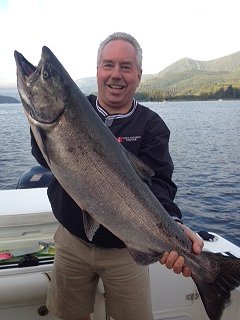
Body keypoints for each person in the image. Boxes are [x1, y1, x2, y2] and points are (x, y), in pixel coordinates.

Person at [31, 32, 204, 320]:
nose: (116, 74)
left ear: (138, 75)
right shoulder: (74, 107)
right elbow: (44, 158)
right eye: (108, 65)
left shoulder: (152, 125)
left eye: (126, 66)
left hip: (127, 251)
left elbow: (159, 184)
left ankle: (208, 272)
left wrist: (172, 223)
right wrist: (42, 120)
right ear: (97, 71)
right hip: (72, 240)